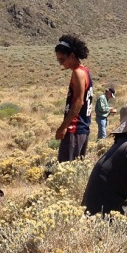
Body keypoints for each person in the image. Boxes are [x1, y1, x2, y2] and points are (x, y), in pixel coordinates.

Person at [53, 33, 93, 162]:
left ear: (72, 55)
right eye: (58, 60)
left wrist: (63, 126)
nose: (61, 63)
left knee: (66, 168)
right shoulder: (85, 71)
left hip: (75, 129)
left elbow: (78, 101)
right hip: (82, 128)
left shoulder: (78, 73)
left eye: (62, 59)